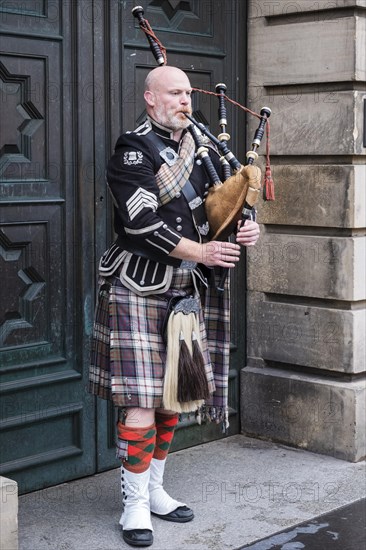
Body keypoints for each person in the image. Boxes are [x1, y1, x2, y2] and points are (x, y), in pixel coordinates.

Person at [89, 65, 260, 547]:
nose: (185, 101)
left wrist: (246, 227)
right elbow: (142, 224)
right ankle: (135, 504)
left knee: (173, 395)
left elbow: (228, 205)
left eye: (188, 92)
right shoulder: (133, 150)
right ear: (150, 98)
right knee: (142, 399)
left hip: (186, 288)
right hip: (137, 287)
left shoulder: (203, 147)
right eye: (175, 93)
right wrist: (203, 251)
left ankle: (157, 490)